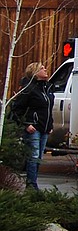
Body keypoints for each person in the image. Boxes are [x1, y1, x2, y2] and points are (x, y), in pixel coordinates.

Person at [9, 62, 53, 190]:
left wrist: (50, 124)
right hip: (33, 128)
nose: (45, 69)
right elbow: (16, 109)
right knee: (33, 156)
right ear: (35, 73)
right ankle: (31, 185)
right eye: (41, 68)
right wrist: (26, 124)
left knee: (38, 157)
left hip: (44, 127)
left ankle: (32, 183)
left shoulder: (48, 88)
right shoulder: (28, 89)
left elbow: (48, 108)